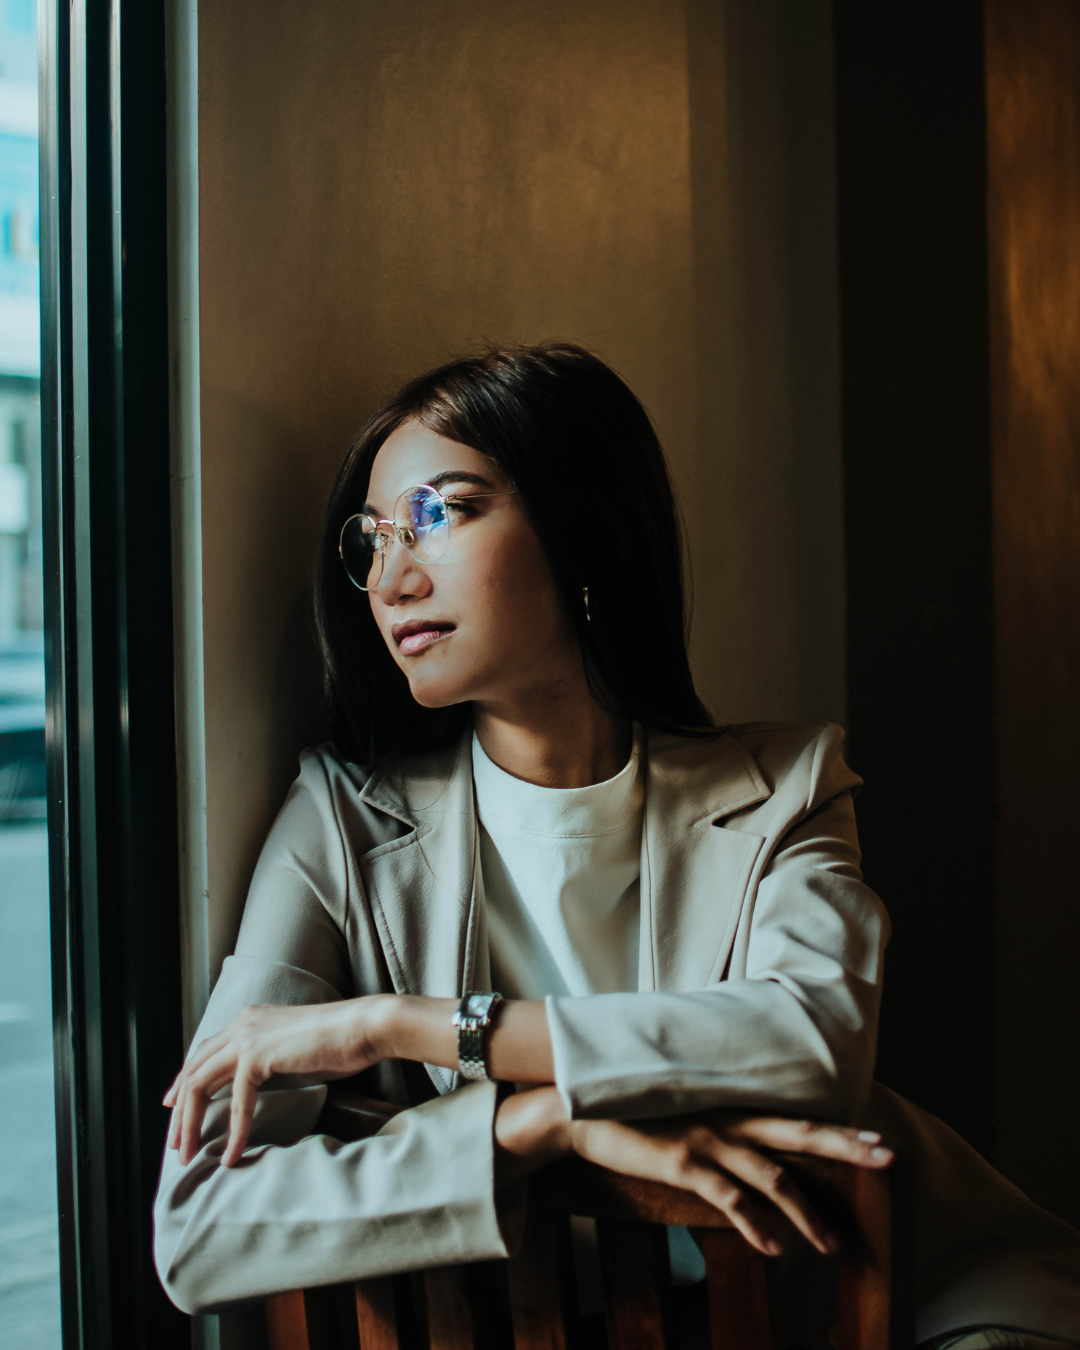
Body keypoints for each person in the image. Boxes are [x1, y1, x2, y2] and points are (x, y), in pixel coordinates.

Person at [155, 345, 1080, 1347]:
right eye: (372, 541)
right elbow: (198, 1230)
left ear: (581, 525)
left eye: (442, 511)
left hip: (883, 1294)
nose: (393, 577)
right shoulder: (342, 822)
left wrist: (400, 1025)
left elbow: (812, 1043)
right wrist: (535, 1126)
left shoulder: (788, 786)